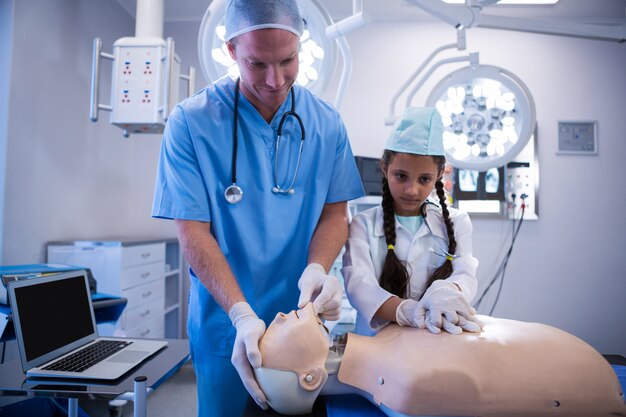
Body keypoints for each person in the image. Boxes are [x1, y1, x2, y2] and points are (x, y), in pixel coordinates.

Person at [151, 0, 365, 415]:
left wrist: (318, 268)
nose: (275, 79)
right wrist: (241, 315)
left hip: (301, 327)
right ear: (231, 51)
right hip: (223, 323)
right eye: (257, 64)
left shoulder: (326, 123)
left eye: (288, 61)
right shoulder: (190, 123)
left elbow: (334, 215)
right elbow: (192, 231)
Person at [255, 303, 626, 417]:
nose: (280, 317)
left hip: (582, 367)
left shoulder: (388, 340)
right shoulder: (404, 386)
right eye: (277, 332)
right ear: (309, 378)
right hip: (585, 378)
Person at [342, 106, 482, 337]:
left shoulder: (457, 223)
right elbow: (359, 286)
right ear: (385, 167)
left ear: (439, 175)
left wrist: (445, 291)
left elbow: (465, 274)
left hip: (434, 342)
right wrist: (409, 310)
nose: (411, 190)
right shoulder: (362, 224)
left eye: (424, 179)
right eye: (401, 176)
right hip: (377, 346)